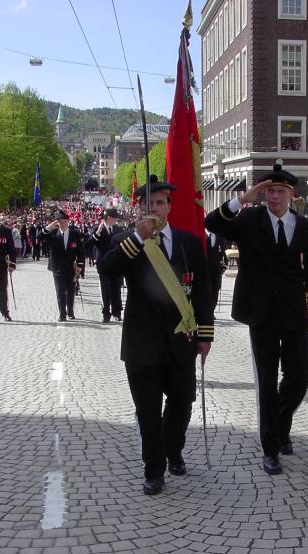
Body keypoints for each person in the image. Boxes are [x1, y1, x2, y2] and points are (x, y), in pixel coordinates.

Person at [205, 164, 308, 476]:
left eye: (279, 191)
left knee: (300, 378)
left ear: (292, 195)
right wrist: (243, 198)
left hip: (294, 312)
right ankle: (270, 449)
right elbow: (212, 222)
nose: (273, 196)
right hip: (261, 312)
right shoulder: (248, 219)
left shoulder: (305, 228)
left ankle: (280, 424)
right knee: (267, 382)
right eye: (269, 190)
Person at [98, 175, 214, 495]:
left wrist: (205, 334)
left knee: (182, 404)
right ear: (138, 208)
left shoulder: (189, 242)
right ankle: (153, 469)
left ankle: (173, 449)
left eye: (161, 203)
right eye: (149, 204)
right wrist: (137, 237)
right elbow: (106, 270)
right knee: (147, 411)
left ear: (170, 207)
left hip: (180, 339)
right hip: (141, 342)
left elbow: (203, 291)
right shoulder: (125, 240)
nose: (155, 209)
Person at [38, 210, 86, 322]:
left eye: (64, 221)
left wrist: (80, 265)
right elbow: (40, 237)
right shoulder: (53, 234)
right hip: (58, 267)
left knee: (70, 290)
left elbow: (80, 251)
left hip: (71, 267)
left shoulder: (75, 234)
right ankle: (62, 313)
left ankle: (70, 311)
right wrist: (50, 226)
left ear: (68, 221)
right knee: (60, 291)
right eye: (60, 221)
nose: (62, 223)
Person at [89, 208, 125, 322]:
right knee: (105, 290)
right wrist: (98, 233)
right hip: (104, 264)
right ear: (109, 218)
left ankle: (117, 312)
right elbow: (89, 243)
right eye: (115, 218)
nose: (116, 220)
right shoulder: (98, 229)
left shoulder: (118, 229)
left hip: (117, 263)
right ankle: (106, 313)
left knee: (116, 288)